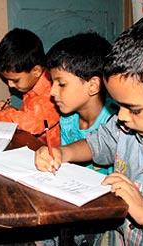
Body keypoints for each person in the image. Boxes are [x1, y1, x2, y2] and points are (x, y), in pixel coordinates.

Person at [35, 9, 143, 245]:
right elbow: (96, 144)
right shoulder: (128, 128)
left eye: (134, 109)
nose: (120, 116)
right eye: (118, 105)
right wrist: (61, 153)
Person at [0, 28, 60, 147]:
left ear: (36, 71)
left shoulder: (51, 92)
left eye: (15, 80)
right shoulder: (33, 84)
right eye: (7, 79)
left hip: (51, 154)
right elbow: (34, 113)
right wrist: (11, 110)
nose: (10, 85)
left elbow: (33, 123)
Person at [47, 32, 117, 175]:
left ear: (92, 86)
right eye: (52, 83)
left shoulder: (116, 121)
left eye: (61, 84)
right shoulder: (68, 119)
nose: (52, 92)